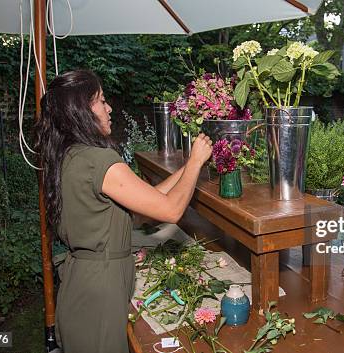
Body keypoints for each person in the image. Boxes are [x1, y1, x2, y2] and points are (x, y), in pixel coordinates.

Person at [34, 70, 213, 353]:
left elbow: (148, 202)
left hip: (82, 282)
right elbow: (171, 210)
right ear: (82, 109)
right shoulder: (99, 160)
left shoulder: (70, 155)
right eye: (101, 101)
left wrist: (187, 166)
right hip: (98, 293)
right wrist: (196, 163)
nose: (109, 108)